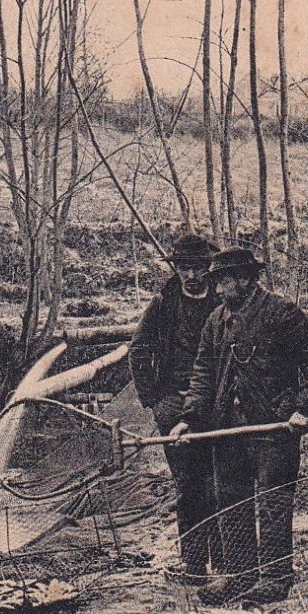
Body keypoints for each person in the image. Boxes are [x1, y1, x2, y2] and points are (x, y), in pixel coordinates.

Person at [170, 248, 308, 607]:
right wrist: (190, 418)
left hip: (274, 429)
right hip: (227, 430)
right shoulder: (216, 320)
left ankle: (275, 578)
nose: (217, 290)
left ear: (245, 279)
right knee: (230, 501)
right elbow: (203, 374)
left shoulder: (281, 312)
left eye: (223, 282)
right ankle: (240, 576)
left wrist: (304, 409)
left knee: (273, 502)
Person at [128, 233, 221, 583]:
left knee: (219, 480)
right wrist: (154, 400)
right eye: (185, 268)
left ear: (208, 268)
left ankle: (225, 561)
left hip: (215, 403)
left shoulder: (221, 301)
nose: (193, 276)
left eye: (198, 268)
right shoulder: (164, 303)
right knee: (188, 484)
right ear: (177, 269)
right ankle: (194, 564)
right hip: (173, 405)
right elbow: (138, 349)